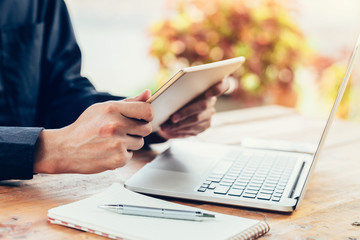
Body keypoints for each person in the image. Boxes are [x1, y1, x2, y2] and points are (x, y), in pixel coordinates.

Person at [0, 0, 229, 181]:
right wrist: (46, 149)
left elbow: (60, 94)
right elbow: (58, 143)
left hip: (33, 200)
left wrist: (152, 117)